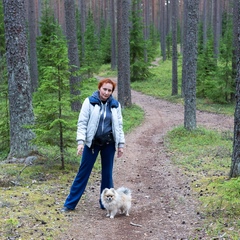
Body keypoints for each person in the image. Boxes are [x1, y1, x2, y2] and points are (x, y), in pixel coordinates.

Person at [61, 78, 125, 212]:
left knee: (107, 174)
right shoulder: (89, 102)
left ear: (112, 92)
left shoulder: (115, 105)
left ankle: (106, 204)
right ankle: (69, 204)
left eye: (109, 90)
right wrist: (80, 142)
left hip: (109, 143)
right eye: (104, 89)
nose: (106, 92)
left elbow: (119, 126)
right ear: (99, 88)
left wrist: (120, 145)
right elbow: (82, 123)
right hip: (92, 144)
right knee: (83, 173)